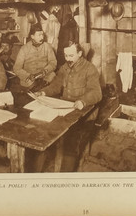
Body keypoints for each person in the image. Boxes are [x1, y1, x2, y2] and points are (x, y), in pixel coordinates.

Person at [35, 42, 102, 171]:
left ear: (79, 54)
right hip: (65, 110)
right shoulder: (64, 68)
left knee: (71, 144)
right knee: (43, 135)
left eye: (71, 55)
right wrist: (43, 92)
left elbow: (96, 93)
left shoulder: (90, 69)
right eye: (66, 55)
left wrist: (83, 101)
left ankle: (65, 178)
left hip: (85, 114)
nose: (68, 59)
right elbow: (56, 85)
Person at [13, 23, 57, 89]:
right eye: (39, 35)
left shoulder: (47, 46)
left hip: (45, 75)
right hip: (30, 77)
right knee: (32, 88)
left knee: (53, 79)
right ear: (32, 36)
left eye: (42, 34)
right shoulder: (24, 49)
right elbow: (17, 68)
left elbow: (53, 62)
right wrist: (28, 75)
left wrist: (45, 71)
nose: (42, 37)